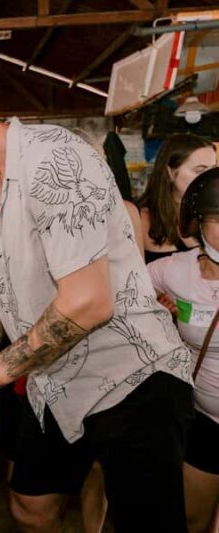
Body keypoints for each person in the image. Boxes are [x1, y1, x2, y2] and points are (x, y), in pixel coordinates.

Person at [0, 80, 193, 533]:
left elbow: (89, 302)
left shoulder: (53, 158)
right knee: (30, 507)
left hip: (132, 379)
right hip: (57, 382)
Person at [148, 167, 219, 533]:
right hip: (205, 423)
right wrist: (157, 314)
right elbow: (122, 293)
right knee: (192, 519)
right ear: (196, 223)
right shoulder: (174, 272)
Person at [137, 134, 216, 264]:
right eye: (200, 171)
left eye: (212, 170)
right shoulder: (139, 218)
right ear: (170, 173)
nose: (208, 178)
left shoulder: (212, 214)